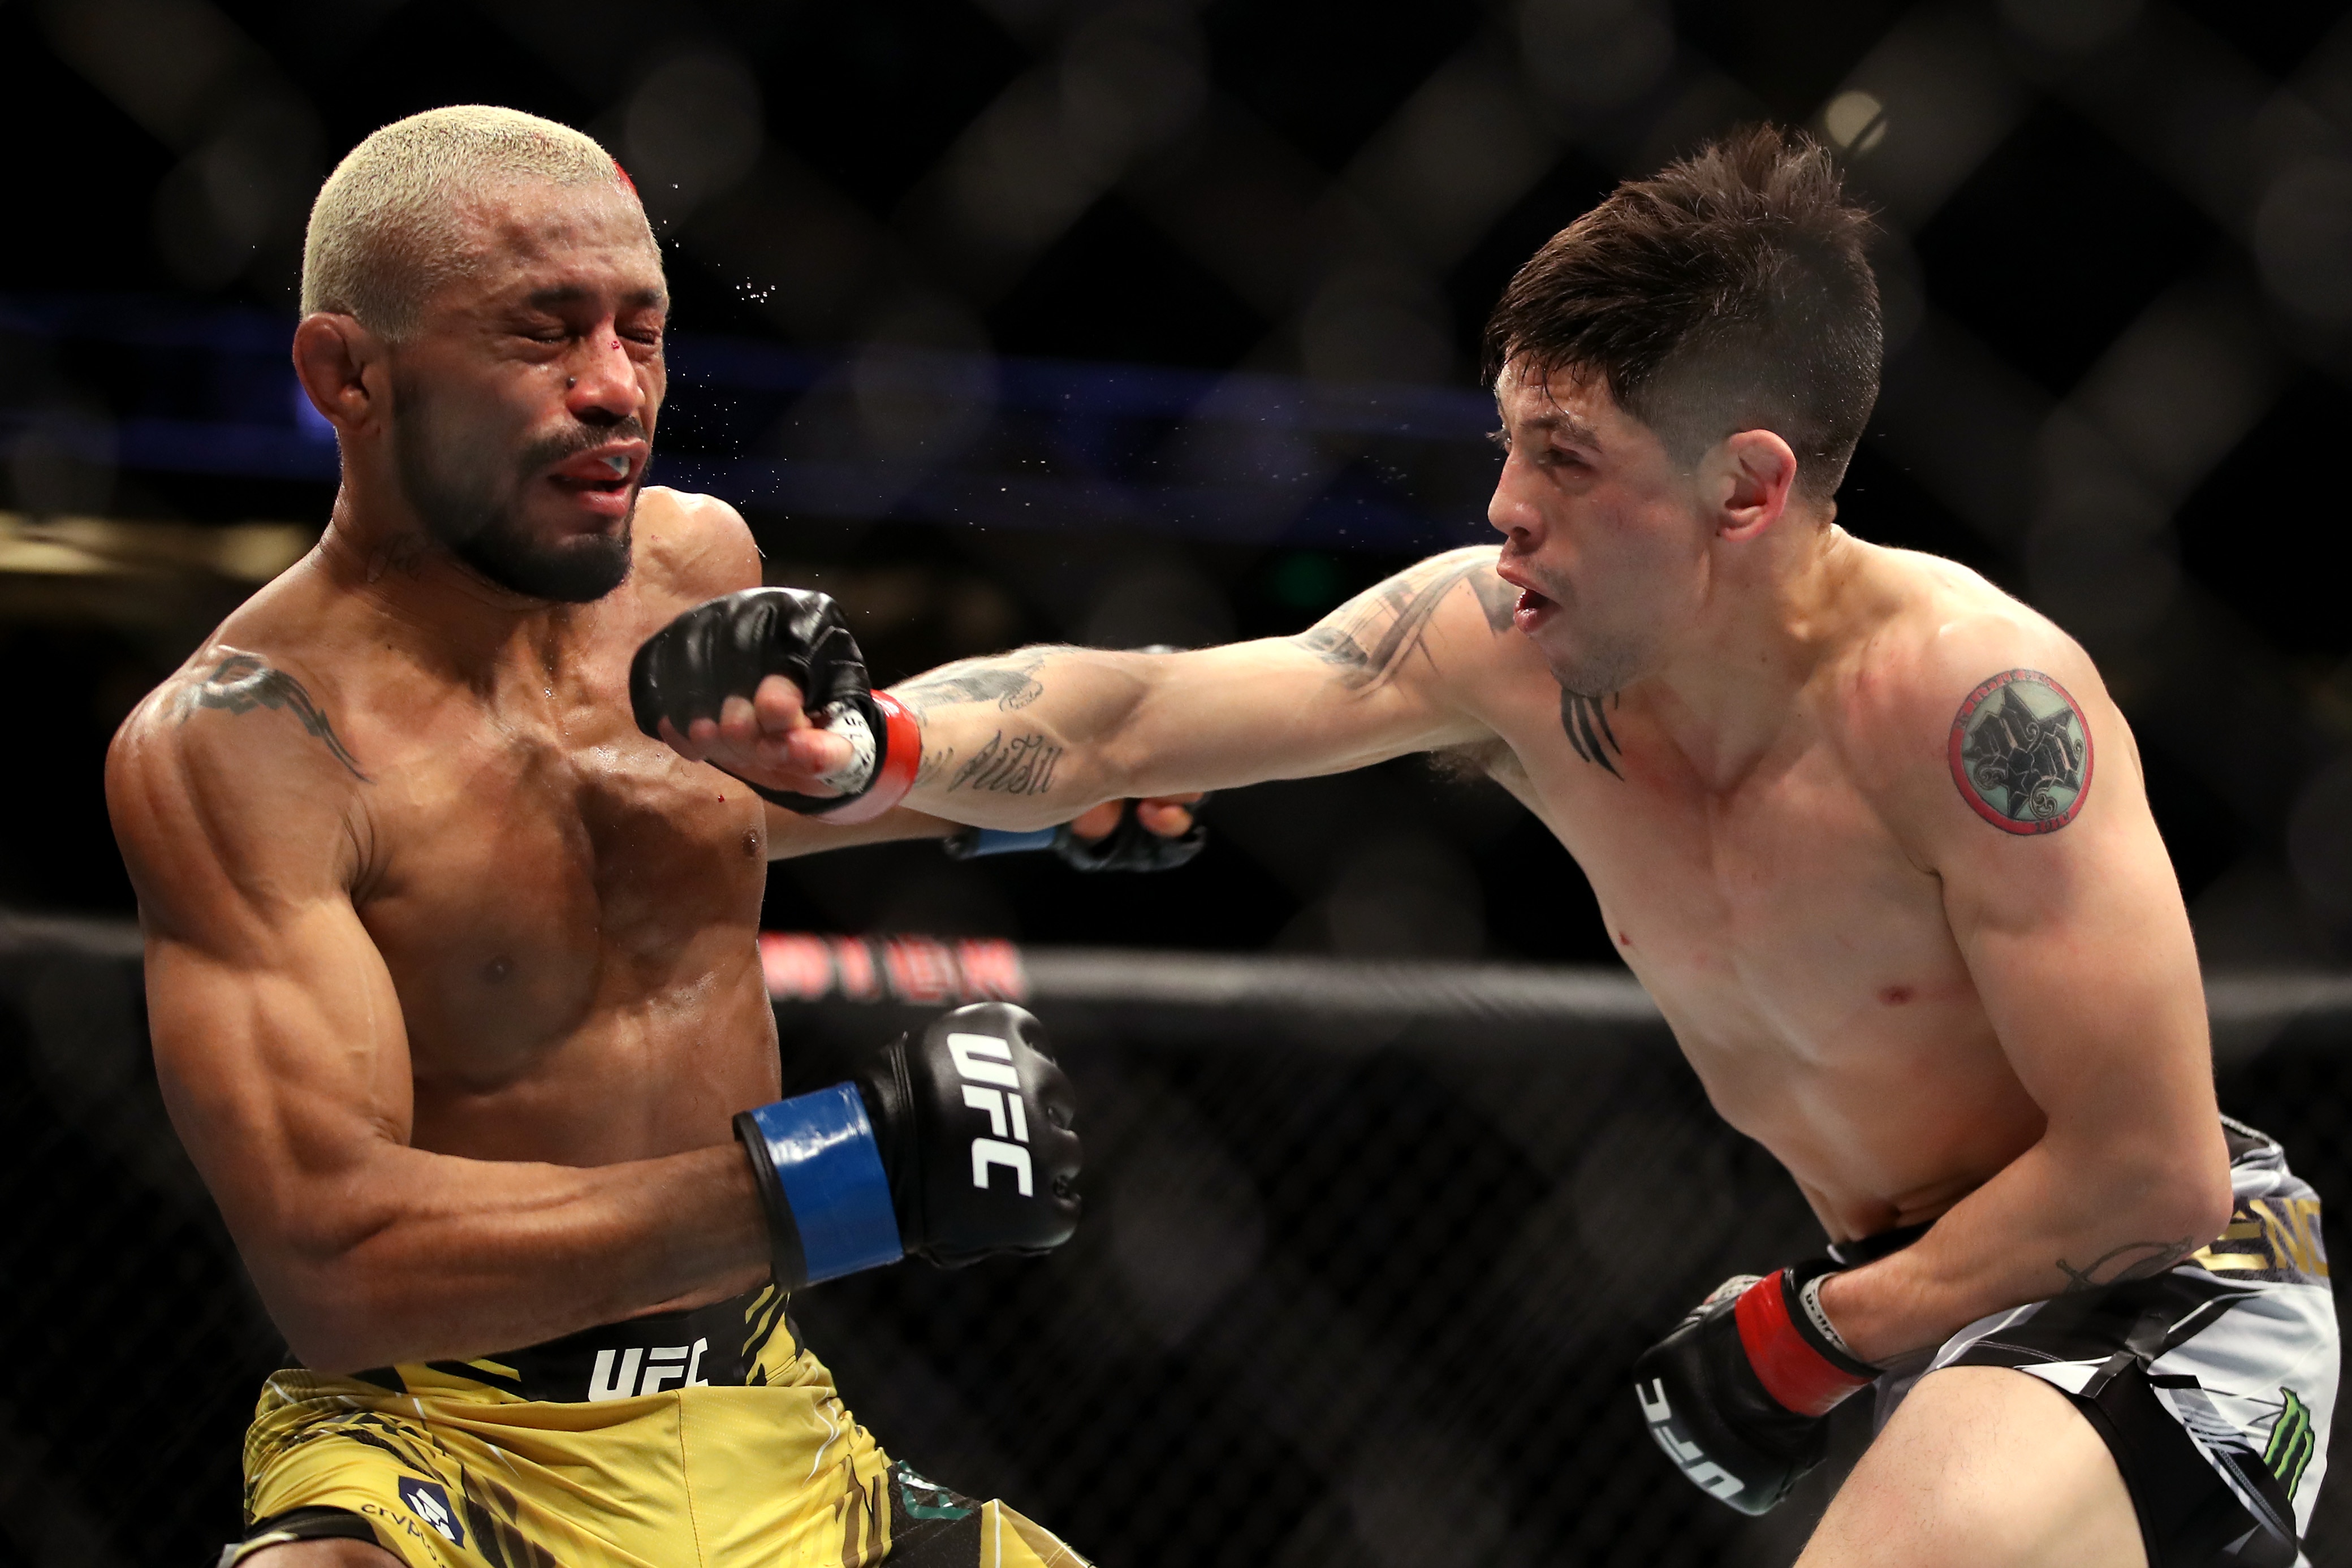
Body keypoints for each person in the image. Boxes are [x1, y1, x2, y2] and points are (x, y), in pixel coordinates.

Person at [646, 127, 2337, 1567]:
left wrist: (1816, 1332)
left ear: (1745, 490)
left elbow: (2153, 1172)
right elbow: (1132, 719)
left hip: (2174, 1296)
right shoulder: (1512, 645)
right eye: (1509, 440)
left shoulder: (1982, 713)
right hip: (1913, 1301)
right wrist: (866, 750)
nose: (1502, 509)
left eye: (1567, 457)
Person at [106, 106, 1190, 1568]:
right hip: (445, 1440)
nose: (616, 388)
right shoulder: (246, 744)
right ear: (346, 373)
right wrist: (844, 1175)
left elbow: (679, 827)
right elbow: (338, 1261)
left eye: (644, 330)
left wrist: (1020, 799)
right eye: (544, 333)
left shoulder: (693, 565)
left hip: (768, 1420)